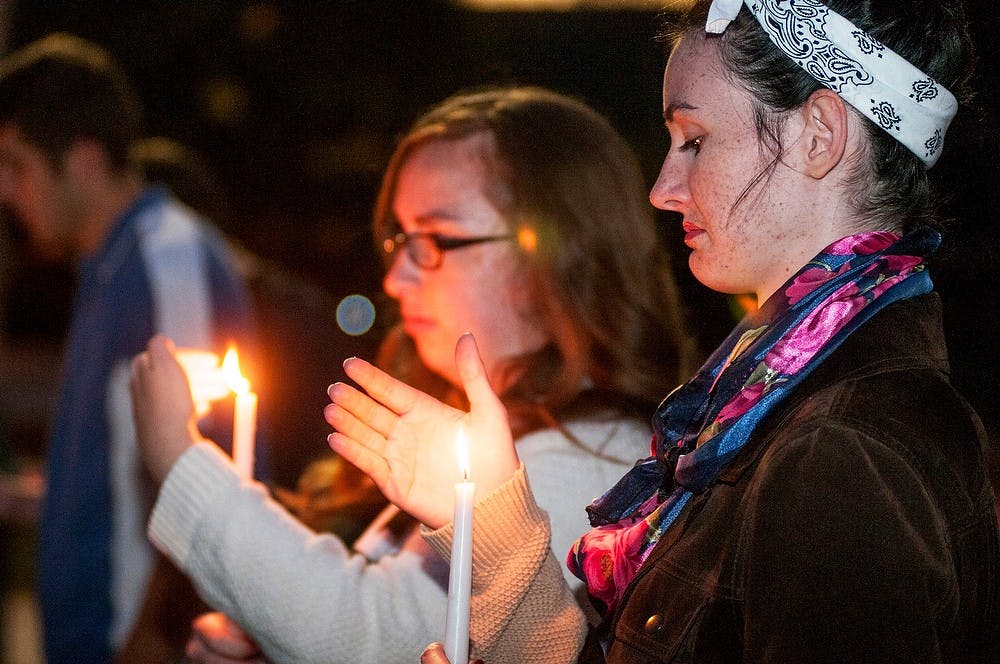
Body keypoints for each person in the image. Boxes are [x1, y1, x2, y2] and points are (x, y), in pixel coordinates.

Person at [324, 1, 1000, 662]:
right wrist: (494, 516)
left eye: (695, 141)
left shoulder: (842, 450)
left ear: (820, 135)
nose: (662, 187)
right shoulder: (762, 408)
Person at [129, 86, 696, 663]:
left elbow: (377, 635)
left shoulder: (598, 461)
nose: (396, 278)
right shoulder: (490, 430)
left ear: (549, 252)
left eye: (431, 239)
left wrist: (182, 461)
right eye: (397, 239)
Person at [0, 33, 258, 664]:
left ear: (85, 162)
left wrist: (149, 643)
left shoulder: (163, 259)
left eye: (15, 164)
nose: (5, 190)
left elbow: (215, 473)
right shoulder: (107, 268)